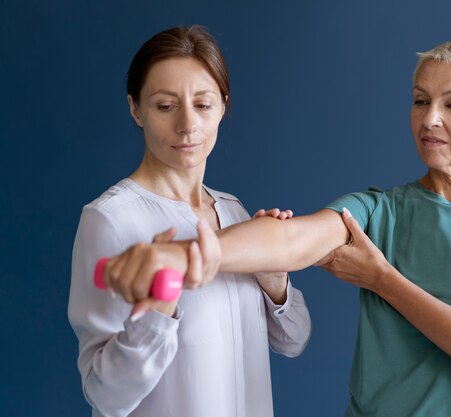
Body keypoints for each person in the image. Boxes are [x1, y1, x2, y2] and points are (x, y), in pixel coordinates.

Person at [105, 39, 451, 416]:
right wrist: (180, 255)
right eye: (420, 100)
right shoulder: (378, 210)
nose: (429, 118)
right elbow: (287, 240)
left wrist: (382, 279)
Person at [68, 25, 311, 417]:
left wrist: (273, 280)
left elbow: (294, 340)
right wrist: (158, 311)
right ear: (135, 109)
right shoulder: (110, 219)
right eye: (165, 106)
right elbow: (104, 395)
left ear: (223, 105)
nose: (187, 125)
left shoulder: (234, 212)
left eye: (203, 104)